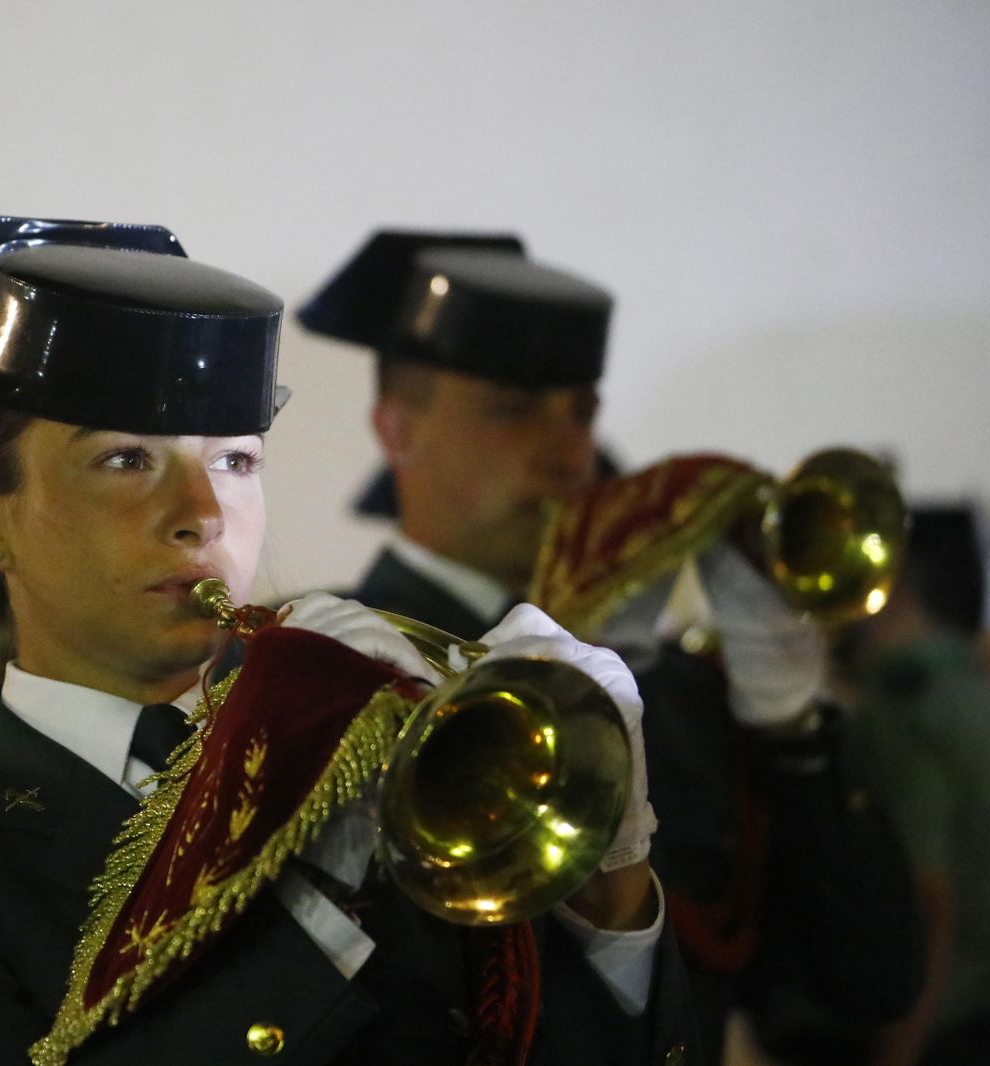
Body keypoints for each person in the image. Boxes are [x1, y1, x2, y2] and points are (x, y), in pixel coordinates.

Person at [0, 213, 699, 1065]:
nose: (202, 513)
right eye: (126, 461)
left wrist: (607, 888)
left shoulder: (392, 784)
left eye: (236, 461)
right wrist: (310, 881)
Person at [298, 229, 925, 1061]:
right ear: (397, 429)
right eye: (512, 411)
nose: (568, 452)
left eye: (583, 412)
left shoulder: (667, 685)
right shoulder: (322, 665)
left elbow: (868, 981)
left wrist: (787, 717)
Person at [840, 504, 990, 1065]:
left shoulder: (898, 709)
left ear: (893, 588)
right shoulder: (973, 690)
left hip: (941, 1032)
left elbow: (929, 904)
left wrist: (895, 1055)